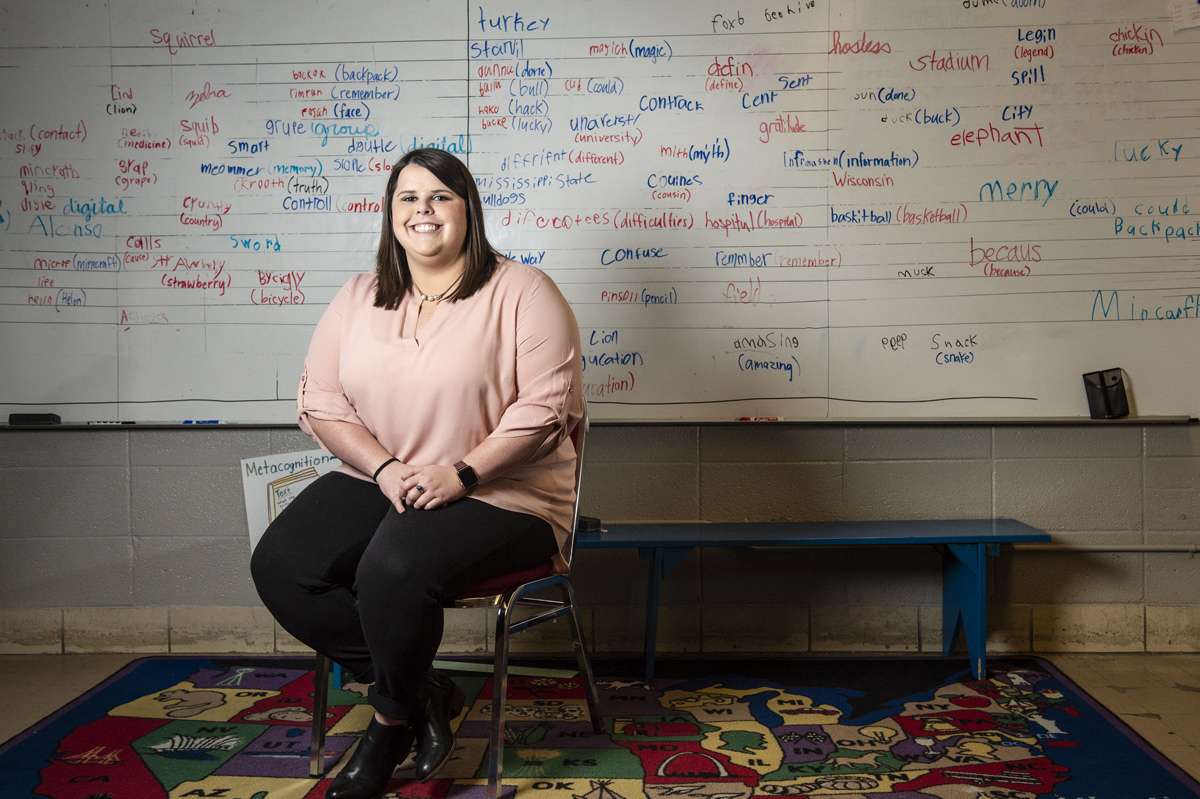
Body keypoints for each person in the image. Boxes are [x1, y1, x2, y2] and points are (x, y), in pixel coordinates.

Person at [251, 147, 583, 799]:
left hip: (505, 493)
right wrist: (385, 466)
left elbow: (547, 408)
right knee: (282, 563)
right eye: (408, 197)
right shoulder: (359, 296)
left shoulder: (525, 290)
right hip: (389, 477)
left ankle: (389, 724)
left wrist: (461, 473)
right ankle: (423, 687)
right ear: (390, 213)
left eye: (440, 197)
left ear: (469, 210)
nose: (422, 210)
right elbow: (320, 400)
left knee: (392, 569)